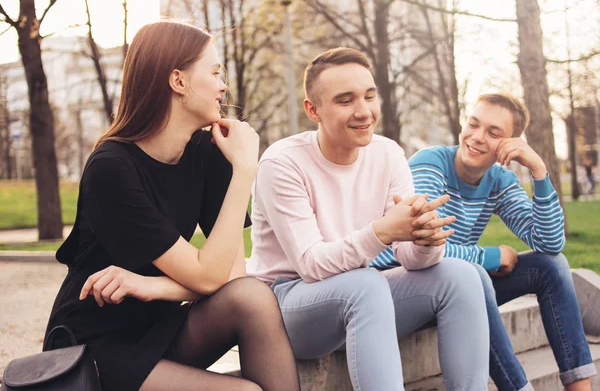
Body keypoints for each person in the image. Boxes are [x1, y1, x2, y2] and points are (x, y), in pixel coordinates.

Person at [44, 21, 300, 391]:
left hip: (161, 327)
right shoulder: (111, 168)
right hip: (94, 344)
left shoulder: (206, 155)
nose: (223, 85)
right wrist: (246, 169)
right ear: (178, 81)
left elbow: (233, 280)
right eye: (214, 72)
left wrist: (152, 287)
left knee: (253, 298)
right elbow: (208, 277)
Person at [246, 47, 490, 390]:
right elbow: (310, 264)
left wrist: (425, 240)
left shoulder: (387, 153)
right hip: (285, 308)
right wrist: (383, 231)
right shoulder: (282, 163)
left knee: (462, 275)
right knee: (365, 284)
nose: (364, 112)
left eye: (369, 96)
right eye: (345, 100)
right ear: (312, 110)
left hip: (361, 296)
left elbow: (410, 257)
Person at [372, 93, 596, 391]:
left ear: (510, 145)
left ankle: (579, 387)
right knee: (475, 274)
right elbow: (421, 243)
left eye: (493, 133)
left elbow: (549, 242)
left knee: (551, 265)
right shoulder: (430, 163)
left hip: (457, 288)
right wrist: (491, 256)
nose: (477, 137)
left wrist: (539, 171)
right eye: (474, 124)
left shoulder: (500, 180)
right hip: (396, 288)